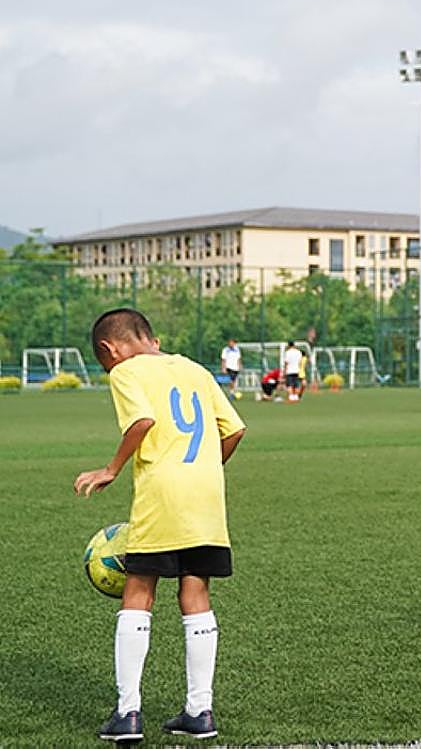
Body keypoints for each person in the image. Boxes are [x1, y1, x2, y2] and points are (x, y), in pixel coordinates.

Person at [74, 308, 246, 742]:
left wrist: (111, 469)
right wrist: (205, 468)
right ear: (152, 336)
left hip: (161, 495)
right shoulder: (195, 369)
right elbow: (235, 430)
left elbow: (142, 421)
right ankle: (199, 711)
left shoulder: (126, 372)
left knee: (139, 590)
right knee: (196, 591)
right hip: (206, 496)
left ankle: (128, 713)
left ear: (109, 350)